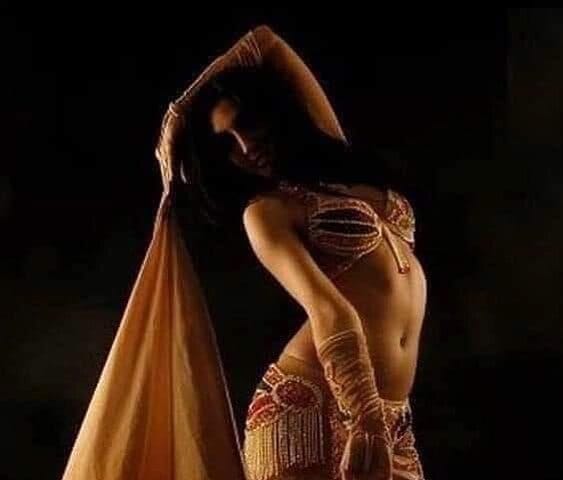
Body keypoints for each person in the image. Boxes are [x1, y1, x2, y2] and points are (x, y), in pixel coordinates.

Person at [62, 25, 426, 480]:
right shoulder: (265, 212)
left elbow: (265, 43)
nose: (247, 147)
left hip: (392, 420)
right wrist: (366, 419)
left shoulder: (340, 168)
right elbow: (328, 309)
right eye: (228, 142)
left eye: (248, 125)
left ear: (274, 112)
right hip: (313, 410)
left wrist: (180, 111)